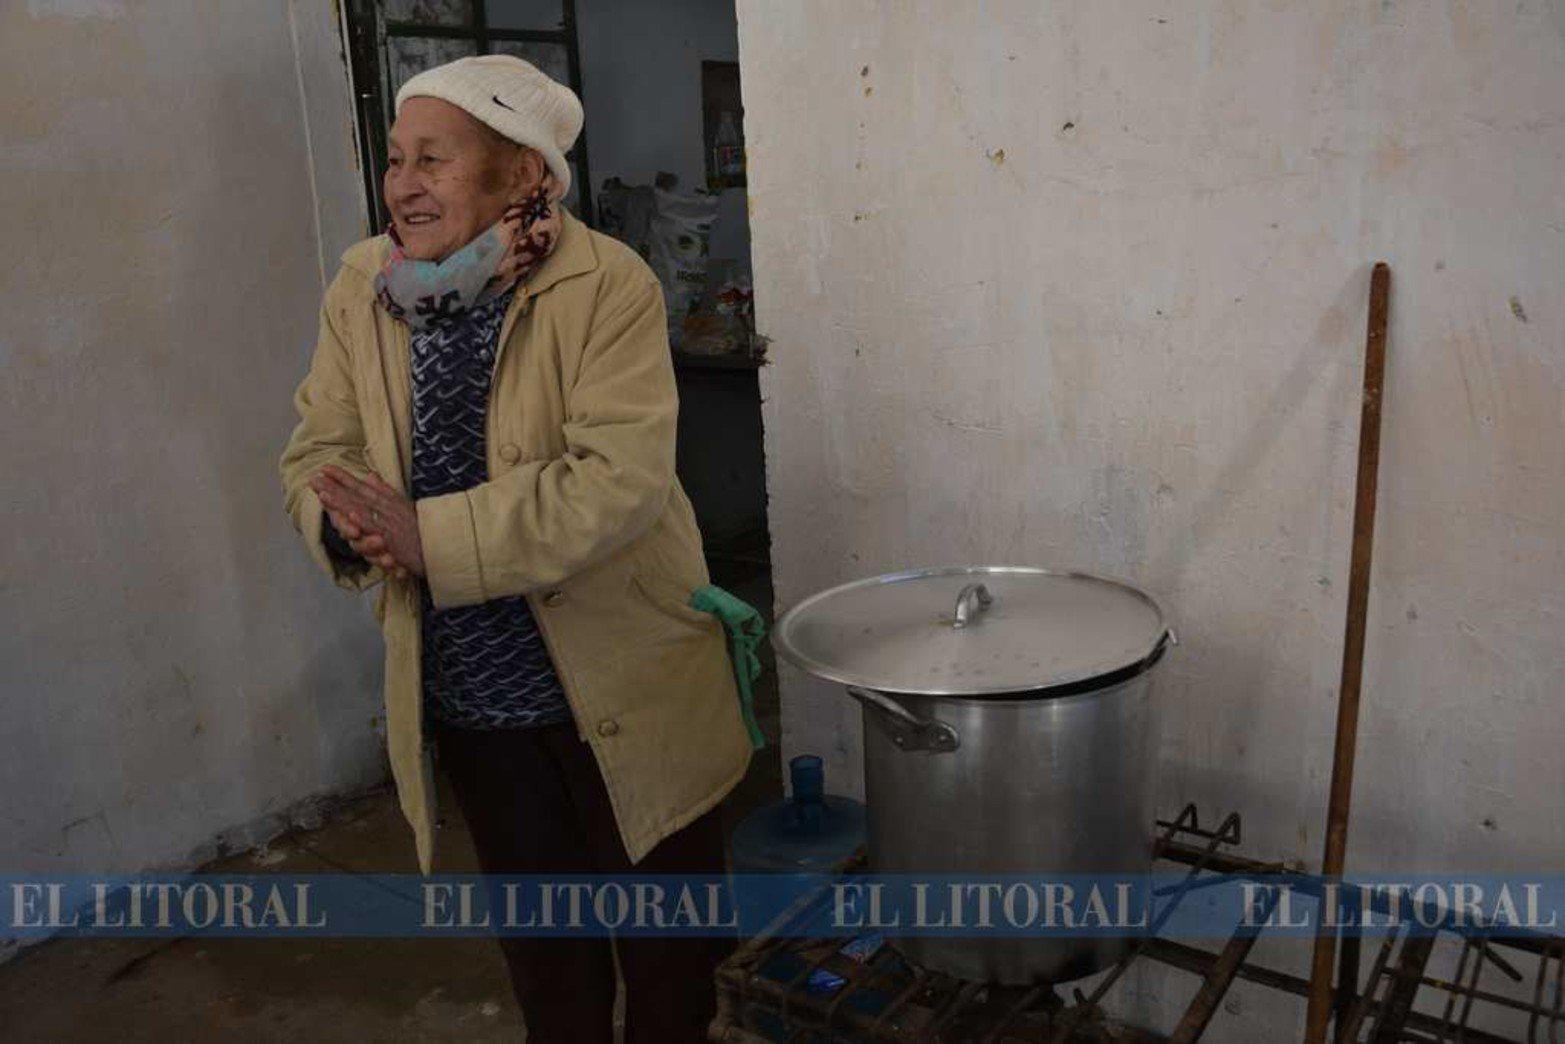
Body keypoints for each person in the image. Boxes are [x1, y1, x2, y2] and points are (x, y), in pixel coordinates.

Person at [278, 54, 752, 1043]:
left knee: (669, 963)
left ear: (521, 175)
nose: (403, 184)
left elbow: (613, 480)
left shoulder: (604, 286)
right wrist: (343, 521)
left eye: (435, 161)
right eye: (397, 158)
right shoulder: (365, 286)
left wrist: (429, 535)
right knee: (549, 961)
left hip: (627, 678)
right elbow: (320, 445)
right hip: (473, 697)